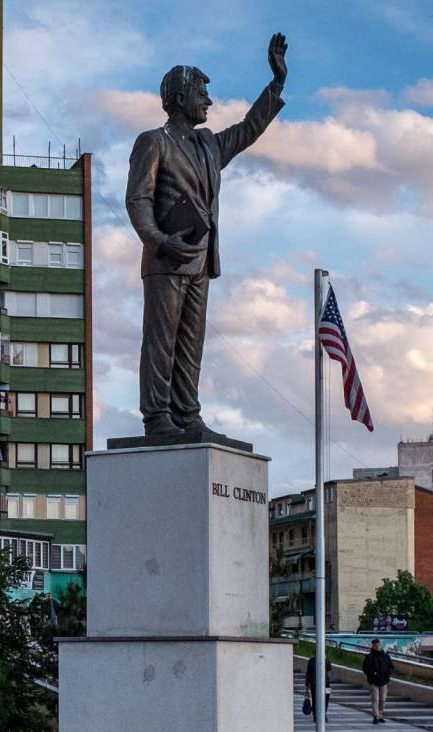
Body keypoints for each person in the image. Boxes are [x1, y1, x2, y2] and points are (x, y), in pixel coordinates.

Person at [124, 34, 287, 440]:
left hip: (200, 259)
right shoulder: (153, 142)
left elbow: (249, 129)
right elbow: (137, 199)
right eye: (202, 93)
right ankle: (157, 416)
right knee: (160, 341)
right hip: (166, 258)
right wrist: (159, 240)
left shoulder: (208, 145)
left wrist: (276, 83)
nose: (209, 102)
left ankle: (186, 412)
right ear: (180, 98)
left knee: (190, 343)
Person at [363, 638, 393, 723]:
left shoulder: (385, 656)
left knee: (383, 699)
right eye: (375, 645)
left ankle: (380, 715)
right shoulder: (369, 657)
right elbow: (365, 668)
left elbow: (391, 667)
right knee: (375, 699)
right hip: (373, 681)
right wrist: (373, 673)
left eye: (378, 645)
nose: (377, 646)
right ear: (373, 646)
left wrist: (388, 673)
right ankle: (376, 716)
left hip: (384, 680)